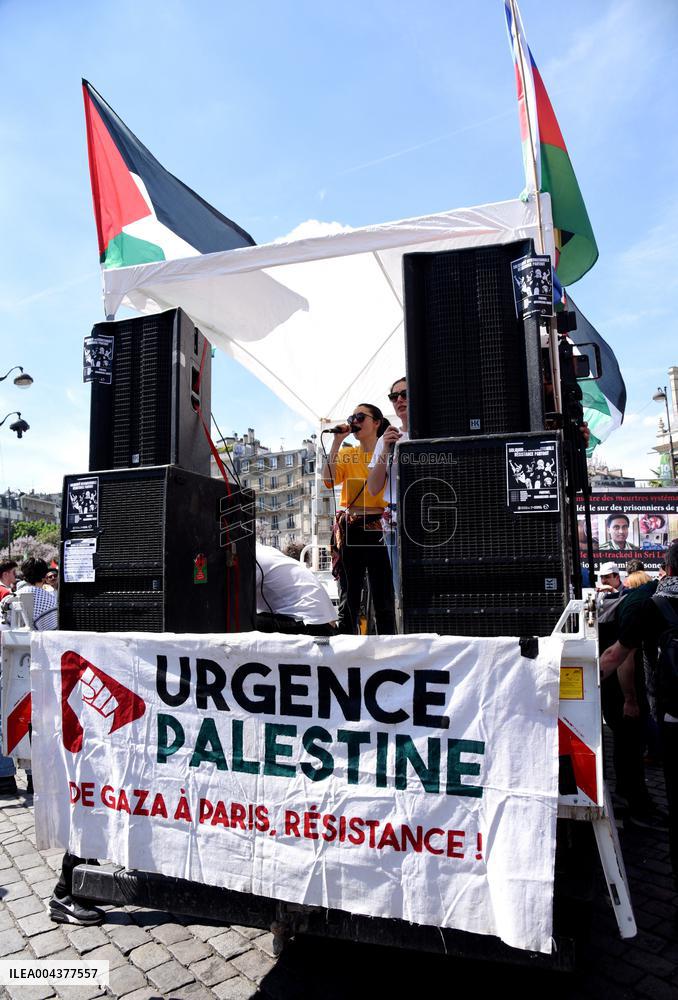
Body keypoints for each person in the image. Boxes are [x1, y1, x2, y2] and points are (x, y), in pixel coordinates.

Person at [601, 538, 678, 877]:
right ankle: (634, 802)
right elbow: (623, 658)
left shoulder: (652, 601)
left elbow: (619, 656)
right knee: (629, 739)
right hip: (634, 692)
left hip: (660, 705)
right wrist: (631, 699)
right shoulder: (646, 603)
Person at [322, 404, 395, 635]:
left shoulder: (389, 451)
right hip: (351, 527)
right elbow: (328, 481)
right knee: (348, 596)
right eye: (352, 417)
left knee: (383, 594)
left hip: (378, 527)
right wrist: (336, 442)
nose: (354, 421)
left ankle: (388, 646)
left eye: (360, 417)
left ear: (377, 422)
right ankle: (346, 645)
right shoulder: (347, 453)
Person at [367, 378, 409, 600]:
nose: (399, 400)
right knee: (400, 588)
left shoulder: (434, 433)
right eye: (394, 397)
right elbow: (373, 488)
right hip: (395, 520)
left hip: (429, 514)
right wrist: (385, 449)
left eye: (405, 394)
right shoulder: (386, 439)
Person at [255, 543, 337, 636]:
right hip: (323, 624)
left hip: (312, 626)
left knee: (246, 621)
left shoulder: (253, 557)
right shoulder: (267, 552)